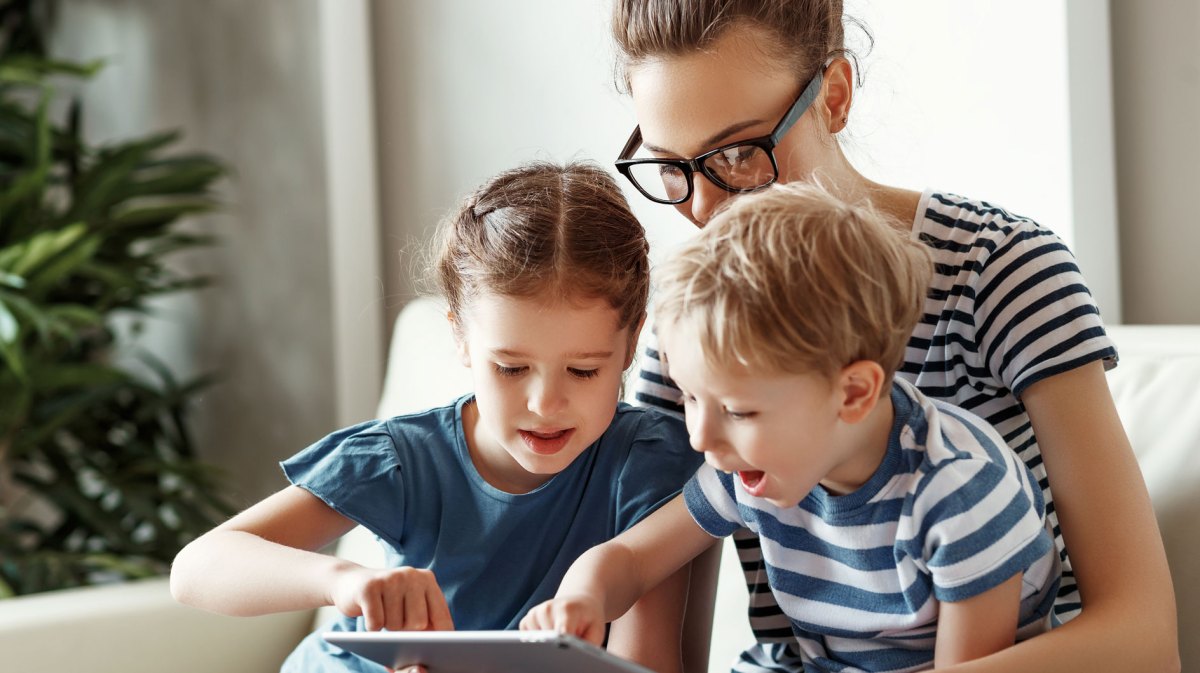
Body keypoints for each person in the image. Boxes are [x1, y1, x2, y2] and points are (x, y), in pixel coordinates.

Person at [607, 1, 1179, 672]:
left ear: (835, 95)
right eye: (670, 168)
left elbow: (1143, 639)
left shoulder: (999, 272)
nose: (705, 209)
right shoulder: (696, 329)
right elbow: (660, 633)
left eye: (737, 153)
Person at [169, 161, 704, 673]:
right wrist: (343, 582)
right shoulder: (406, 458)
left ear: (633, 341)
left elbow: (649, 662)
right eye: (512, 368)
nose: (545, 404)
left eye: (584, 371)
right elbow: (196, 570)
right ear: (460, 337)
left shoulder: (645, 464)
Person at [522, 182, 1065, 670]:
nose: (700, 438)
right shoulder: (753, 467)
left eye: (737, 410)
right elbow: (633, 558)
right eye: (690, 398)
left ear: (853, 393)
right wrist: (582, 600)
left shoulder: (961, 493)